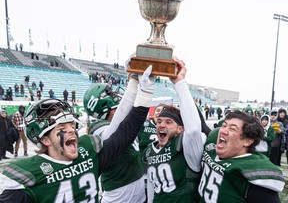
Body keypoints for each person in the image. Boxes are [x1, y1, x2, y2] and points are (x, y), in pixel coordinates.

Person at [0, 66, 154, 202]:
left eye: (71, 124)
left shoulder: (87, 153)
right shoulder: (29, 175)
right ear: (45, 139)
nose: (71, 130)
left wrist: (141, 88)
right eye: (61, 126)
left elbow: (125, 133)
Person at [83, 67, 155, 203]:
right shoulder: (97, 128)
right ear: (103, 102)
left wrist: (135, 78)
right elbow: (115, 130)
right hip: (118, 197)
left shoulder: (121, 123)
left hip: (137, 193)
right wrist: (133, 84)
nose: (116, 95)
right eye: (111, 93)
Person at [143, 58, 205, 202]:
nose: (161, 125)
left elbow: (194, 130)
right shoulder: (149, 150)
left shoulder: (186, 148)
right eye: (159, 121)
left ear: (180, 129)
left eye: (168, 122)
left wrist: (180, 83)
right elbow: (153, 187)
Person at [198, 110, 285, 202]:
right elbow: (200, 125)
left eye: (232, 129)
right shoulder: (213, 146)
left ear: (247, 141)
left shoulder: (254, 173)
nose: (223, 130)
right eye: (224, 125)